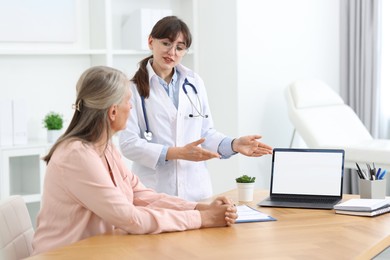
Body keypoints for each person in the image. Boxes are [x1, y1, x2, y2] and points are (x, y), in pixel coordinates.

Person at [31, 66, 237, 255]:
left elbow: (140, 194)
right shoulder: (76, 155)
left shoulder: (105, 147)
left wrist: (198, 208)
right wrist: (203, 219)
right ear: (113, 112)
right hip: (65, 255)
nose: (131, 108)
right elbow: (130, 218)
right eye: (128, 102)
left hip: (100, 250)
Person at [119, 16, 273, 201]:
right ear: (151, 41)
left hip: (196, 191)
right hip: (155, 191)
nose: (172, 52)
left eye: (179, 47)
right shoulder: (130, 88)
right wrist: (177, 153)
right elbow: (129, 144)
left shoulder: (193, 82)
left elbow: (205, 133)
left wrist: (234, 144)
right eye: (166, 43)